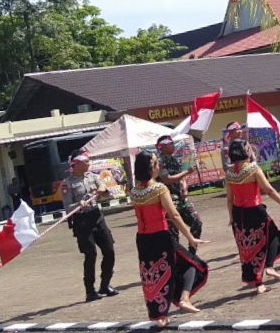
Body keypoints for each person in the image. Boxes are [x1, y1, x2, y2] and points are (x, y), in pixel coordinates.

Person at [130, 152, 209, 326]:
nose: (159, 167)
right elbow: (173, 215)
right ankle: (184, 299)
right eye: (156, 164)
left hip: (143, 238)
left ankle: (160, 315)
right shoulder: (159, 188)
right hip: (161, 236)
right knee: (192, 264)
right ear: (151, 168)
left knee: (152, 275)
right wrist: (191, 237)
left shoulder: (134, 191)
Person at [226, 140, 280, 295]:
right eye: (248, 147)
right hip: (255, 211)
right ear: (244, 151)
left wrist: (231, 216)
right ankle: (269, 267)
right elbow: (269, 190)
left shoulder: (229, 173)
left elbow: (230, 199)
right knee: (274, 237)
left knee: (248, 249)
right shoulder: (253, 169)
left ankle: (259, 284)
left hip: (239, 213)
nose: (250, 149)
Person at [59, 151, 117, 302]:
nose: (88, 163)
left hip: (97, 217)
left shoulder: (94, 177)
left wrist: (103, 191)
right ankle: (90, 291)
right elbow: (67, 208)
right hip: (82, 221)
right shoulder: (67, 184)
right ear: (76, 164)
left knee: (109, 249)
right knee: (91, 255)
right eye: (85, 161)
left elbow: (108, 194)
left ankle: (105, 284)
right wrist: (78, 204)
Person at [155, 136, 203, 254]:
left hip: (181, 199)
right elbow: (167, 179)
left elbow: (181, 176)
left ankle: (191, 252)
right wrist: (187, 171)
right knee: (173, 233)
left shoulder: (174, 160)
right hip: (169, 201)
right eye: (170, 144)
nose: (173, 146)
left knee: (196, 222)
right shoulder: (159, 162)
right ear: (163, 147)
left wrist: (185, 186)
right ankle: (176, 259)